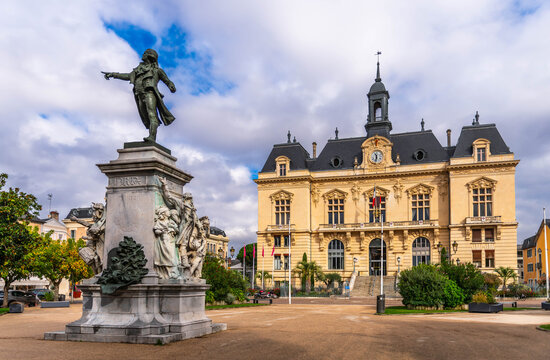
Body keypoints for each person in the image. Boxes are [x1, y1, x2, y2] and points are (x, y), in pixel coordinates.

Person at [102, 49, 176, 142]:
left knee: (152, 115)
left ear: (150, 56)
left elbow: (167, 81)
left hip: (149, 94)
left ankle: (152, 138)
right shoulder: (138, 70)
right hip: (139, 95)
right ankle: (151, 135)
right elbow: (128, 76)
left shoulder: (157, 71)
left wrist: (171, 85)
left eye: (145, 53)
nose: (143, 54)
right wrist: (113, 74)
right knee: (146, 117)